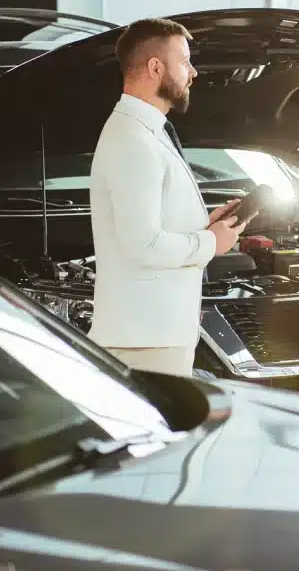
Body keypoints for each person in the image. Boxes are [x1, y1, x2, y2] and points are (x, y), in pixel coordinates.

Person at [89, 18, 248, 376]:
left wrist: (204, 224)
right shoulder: (133, 139)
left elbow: (153, 223)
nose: (193, 73)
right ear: (155, 67)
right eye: (185, 62)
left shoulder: (147, 132)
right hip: (144, 340)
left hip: (156, 334)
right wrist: (210, 242)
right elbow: (142, 244)